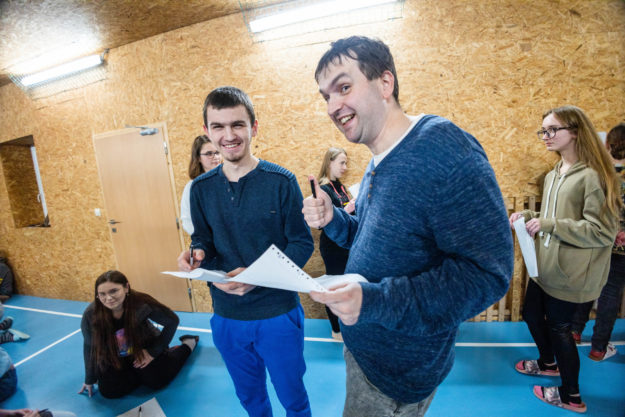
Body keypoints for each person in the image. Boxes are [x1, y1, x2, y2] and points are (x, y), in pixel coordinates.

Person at [302, 36, 513, 417]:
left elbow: (487, 274)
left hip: (395, 376)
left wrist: (373, 301)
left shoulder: (444, 149)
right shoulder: (378, 161)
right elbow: (370, 239)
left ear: (385, 83)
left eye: (343, 88)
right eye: (326, 97)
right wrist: (334, 219)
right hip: (365, 350)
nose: (333, 107)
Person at [177, 86, 314, 417]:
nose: (229, 136)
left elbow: (301, 243)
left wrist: (256, 276)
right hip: (227, 316)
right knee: (251, 400)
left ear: (254, 127)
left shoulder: (281, 181)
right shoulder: (200, 189)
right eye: (218, 127)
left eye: (237, 124)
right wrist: (195, 254)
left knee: (293, 399)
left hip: (277, 314)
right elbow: (203, 240)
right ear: (207, 130)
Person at [510, 106, 621, 413]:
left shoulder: (593, 176)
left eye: (552, 130)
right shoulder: (554, 173)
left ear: (574, 131)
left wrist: (549, 224)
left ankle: (571, 396)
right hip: (544, 268)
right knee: (531, 314)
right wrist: (529, 216)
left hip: (571, 273)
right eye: (543, 131)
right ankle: (548, 364)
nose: (545, 136)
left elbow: (602, 231)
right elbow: (554, 216)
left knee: (560, 329)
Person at [78, 270, 198, 399]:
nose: (108, 298)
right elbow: (90, 346)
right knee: (110, 391)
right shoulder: (91, 314)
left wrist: (153, 352)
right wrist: (90, 378)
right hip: (114, 353)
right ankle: (142, 374)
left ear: (126, 288)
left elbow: (172, 321)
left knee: (157, 381)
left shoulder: (142, 303)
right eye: (102, 294)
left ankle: (188, 344)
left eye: (114, 291)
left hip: (143, 346)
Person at [570, 122, 625, 361]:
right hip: (620, 243)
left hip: (598, 238)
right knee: (610, 292)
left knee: (591, 284)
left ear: (608, 143)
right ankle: (599, 348)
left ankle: (574, 331)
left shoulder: (598, 171)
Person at [317, 147, 355, 341]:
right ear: (329, 162)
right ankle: (336, 330)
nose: (344, 167)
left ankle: (347, 325)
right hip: (332, 246)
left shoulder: (340, 187)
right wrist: (347, 210)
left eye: (346, 163)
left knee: (347, 285)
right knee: (333, 286)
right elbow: (322, 222)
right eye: (341, 162)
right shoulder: (323, 189)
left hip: (346, 243)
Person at [180, 134, 222, 235]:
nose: (215, 157)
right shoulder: (192, 187)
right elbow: (187, 221)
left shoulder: (231, 179)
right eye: (209, 153)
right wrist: (205, 239)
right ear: (198, 158)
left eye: (217, 152)